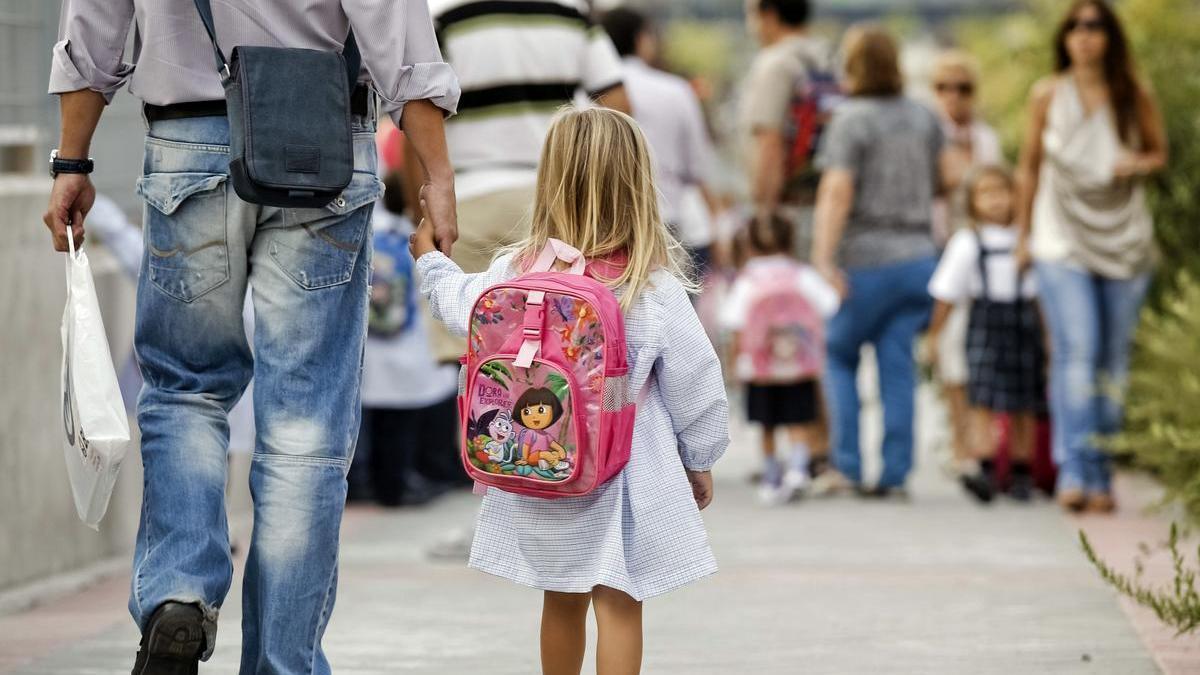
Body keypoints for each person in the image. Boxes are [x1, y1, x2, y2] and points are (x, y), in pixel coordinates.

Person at [44, 2, 461, 671]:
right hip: (321, 144)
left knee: (186, 390)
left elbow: (92, 22)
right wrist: (436, 175)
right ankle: (282, 660)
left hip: (189, 143)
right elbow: (396, 29)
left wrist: (73, 158)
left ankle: (178, 587)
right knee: (306, 429)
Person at [413, 108, 729, 675]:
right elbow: (696, 380)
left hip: (542, 469)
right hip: (621, 474)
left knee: (559, 598)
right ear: (638, 185)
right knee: (618, 601)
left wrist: (432, 262)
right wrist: (700, 456)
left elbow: (461, 308)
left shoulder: (516, 270)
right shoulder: (649, 284)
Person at [418, 0, 631, 365]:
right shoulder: (570, 12)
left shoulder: (442, 14)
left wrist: (419, 202)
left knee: (471, 350)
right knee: (555, 345)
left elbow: (420, 106)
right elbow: (617, 104)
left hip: (467, 203)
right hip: (556, 203)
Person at [1016, 0, 1167, 514]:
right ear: (1064, 37)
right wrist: (1021, 237)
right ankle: (1076, 472)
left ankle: (1103, 473)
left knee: (1113, 362)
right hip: (1060, 237)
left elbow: (1159, 153)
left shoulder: (1132, 93)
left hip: (1122, 239)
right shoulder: (1047, 94)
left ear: (1110, 36)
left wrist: (1135, 164)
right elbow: (1028, 167)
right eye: (1076, 26)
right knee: (1077, 353)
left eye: (1095, 26)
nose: (1084, 36)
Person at [811, 25, 945, 498]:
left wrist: (823, 257)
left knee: (839, 354)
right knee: (896, 363)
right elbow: (946, 183)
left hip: (865, 259)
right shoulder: (925, 117)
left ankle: (846, 464)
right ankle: (896, 472)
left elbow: (837, 190)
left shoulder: (851, 120)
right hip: (918, 257)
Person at [927, 166, 1046, 503]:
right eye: (986, 194)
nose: (995, 201)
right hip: (985, 323)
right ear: (972, 202)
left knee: (1024, 403)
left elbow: (1040, 299)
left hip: (1023, 323)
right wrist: (934, 335)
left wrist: (1049, 341)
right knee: (981, 401)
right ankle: (987, 468)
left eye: (1002, 192)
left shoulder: (1027, 240)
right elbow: (946, 293)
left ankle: (1023, 472)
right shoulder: (966, 242)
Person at [351, 170, 461, 507]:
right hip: (409, 349)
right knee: (401, 427)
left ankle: (366, 481)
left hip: (370, 351)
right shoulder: (413, 240)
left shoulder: (371, 232)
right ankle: (398, 486)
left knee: (369, 424)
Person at [721, 213, 839, 505]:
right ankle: (798, 469)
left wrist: (736, 363)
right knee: (799, 419)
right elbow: (830, 304)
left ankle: (772, 475)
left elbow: (734, 323)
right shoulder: (802, 275)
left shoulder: (748, 280)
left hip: (760, 368)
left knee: (767, 424)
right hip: (799, 366)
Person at [927, 51, 1004, 477]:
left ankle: (977, 440)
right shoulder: (928, 134)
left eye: (963, 87)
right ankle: (958, 438)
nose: (953, 96)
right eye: (944, 87)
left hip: (982, 253)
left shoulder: (986, 139)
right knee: (948, 350)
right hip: (941, 248)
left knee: (977, 349)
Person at [599, 6, 719, 277]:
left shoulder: (588, 93)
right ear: (641, 39)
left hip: (604, 224)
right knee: (673, 308)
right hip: (665, 219)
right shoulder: (675, 90)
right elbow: (697, 166)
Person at [741, 0, 837, 258]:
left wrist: (764, 217)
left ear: (768, 14)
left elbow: (770, 143)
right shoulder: (829, 59)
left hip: (789, 210)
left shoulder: (775, 64)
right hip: (831, 205)